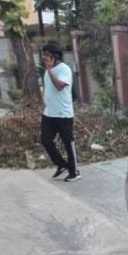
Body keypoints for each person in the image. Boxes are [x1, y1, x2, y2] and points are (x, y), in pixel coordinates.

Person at [40, 42, 79, 181]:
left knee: (68, 142)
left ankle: (74, 171)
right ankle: (62, 165)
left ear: (54, 56)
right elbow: (49, 89)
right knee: (45, 140)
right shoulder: (47, 70)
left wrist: (50, 70)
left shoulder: (64, 70)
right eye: (43, 55)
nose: (44, 58)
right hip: (49, 113)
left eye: (47, 55)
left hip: (63, 114)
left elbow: (59, 87)